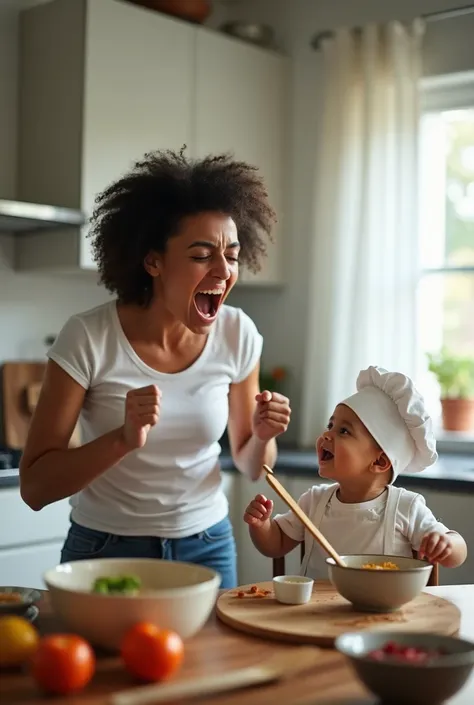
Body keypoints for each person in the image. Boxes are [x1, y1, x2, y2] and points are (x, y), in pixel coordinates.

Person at [19, 149, 292, 589]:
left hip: (208, 546)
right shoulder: (90, 338)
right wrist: (122, 440)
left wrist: (262, 437)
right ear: (153, 262)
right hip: (106, 550)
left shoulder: (237, 333)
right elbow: (34, 488)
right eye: (202, 255)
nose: (224, 270)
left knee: (214, 662)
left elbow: (251, 464)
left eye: (233, 255)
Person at [244, 366, 467, 579]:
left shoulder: (406, 507)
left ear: (379, 461)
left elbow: (458, 548)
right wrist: (262, 526)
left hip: (382, 615)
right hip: (314, 615)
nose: (327, 435)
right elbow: (277, 544)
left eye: (343, 431)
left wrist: (447, 545)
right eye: (330, 425)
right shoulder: (314, 501)